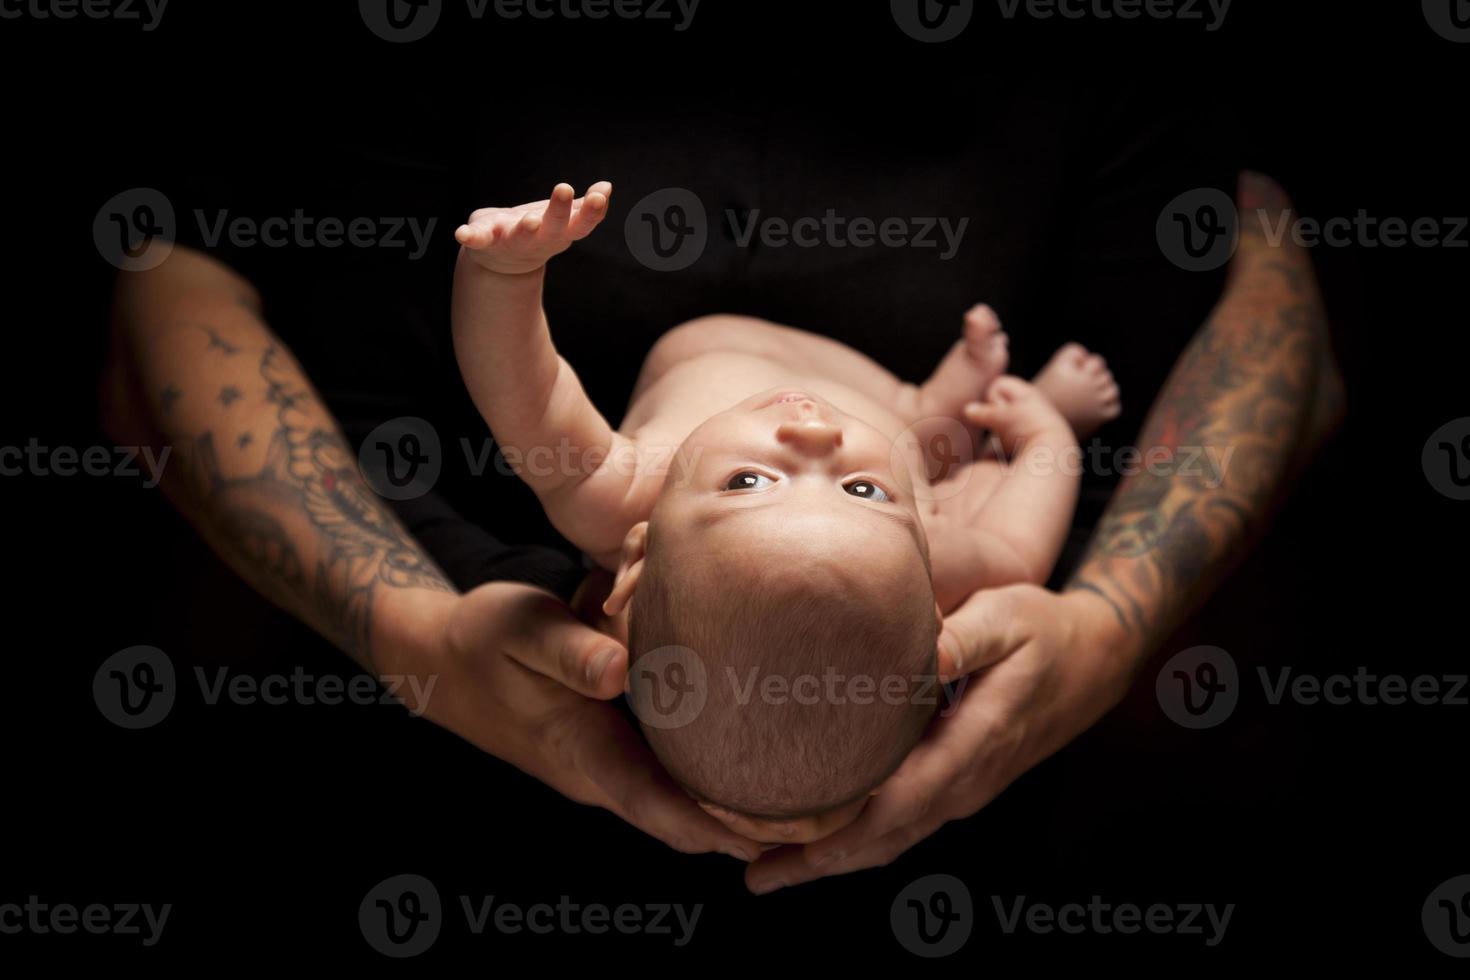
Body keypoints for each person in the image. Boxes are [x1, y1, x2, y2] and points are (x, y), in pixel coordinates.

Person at [449, 179, 1120, 837]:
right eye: (863, 492)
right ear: (933, 601)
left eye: (746, 482)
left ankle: (947, 413)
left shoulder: (619, 493)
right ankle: (970, 415)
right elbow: (1016, 551)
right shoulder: (916, 553)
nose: (817, 437)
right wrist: (1045, 439)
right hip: (885, 403)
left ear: (638, 557)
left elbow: (527, 397)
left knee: (915, 457)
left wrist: (504, 276)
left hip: (756, 356)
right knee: (949, 475)